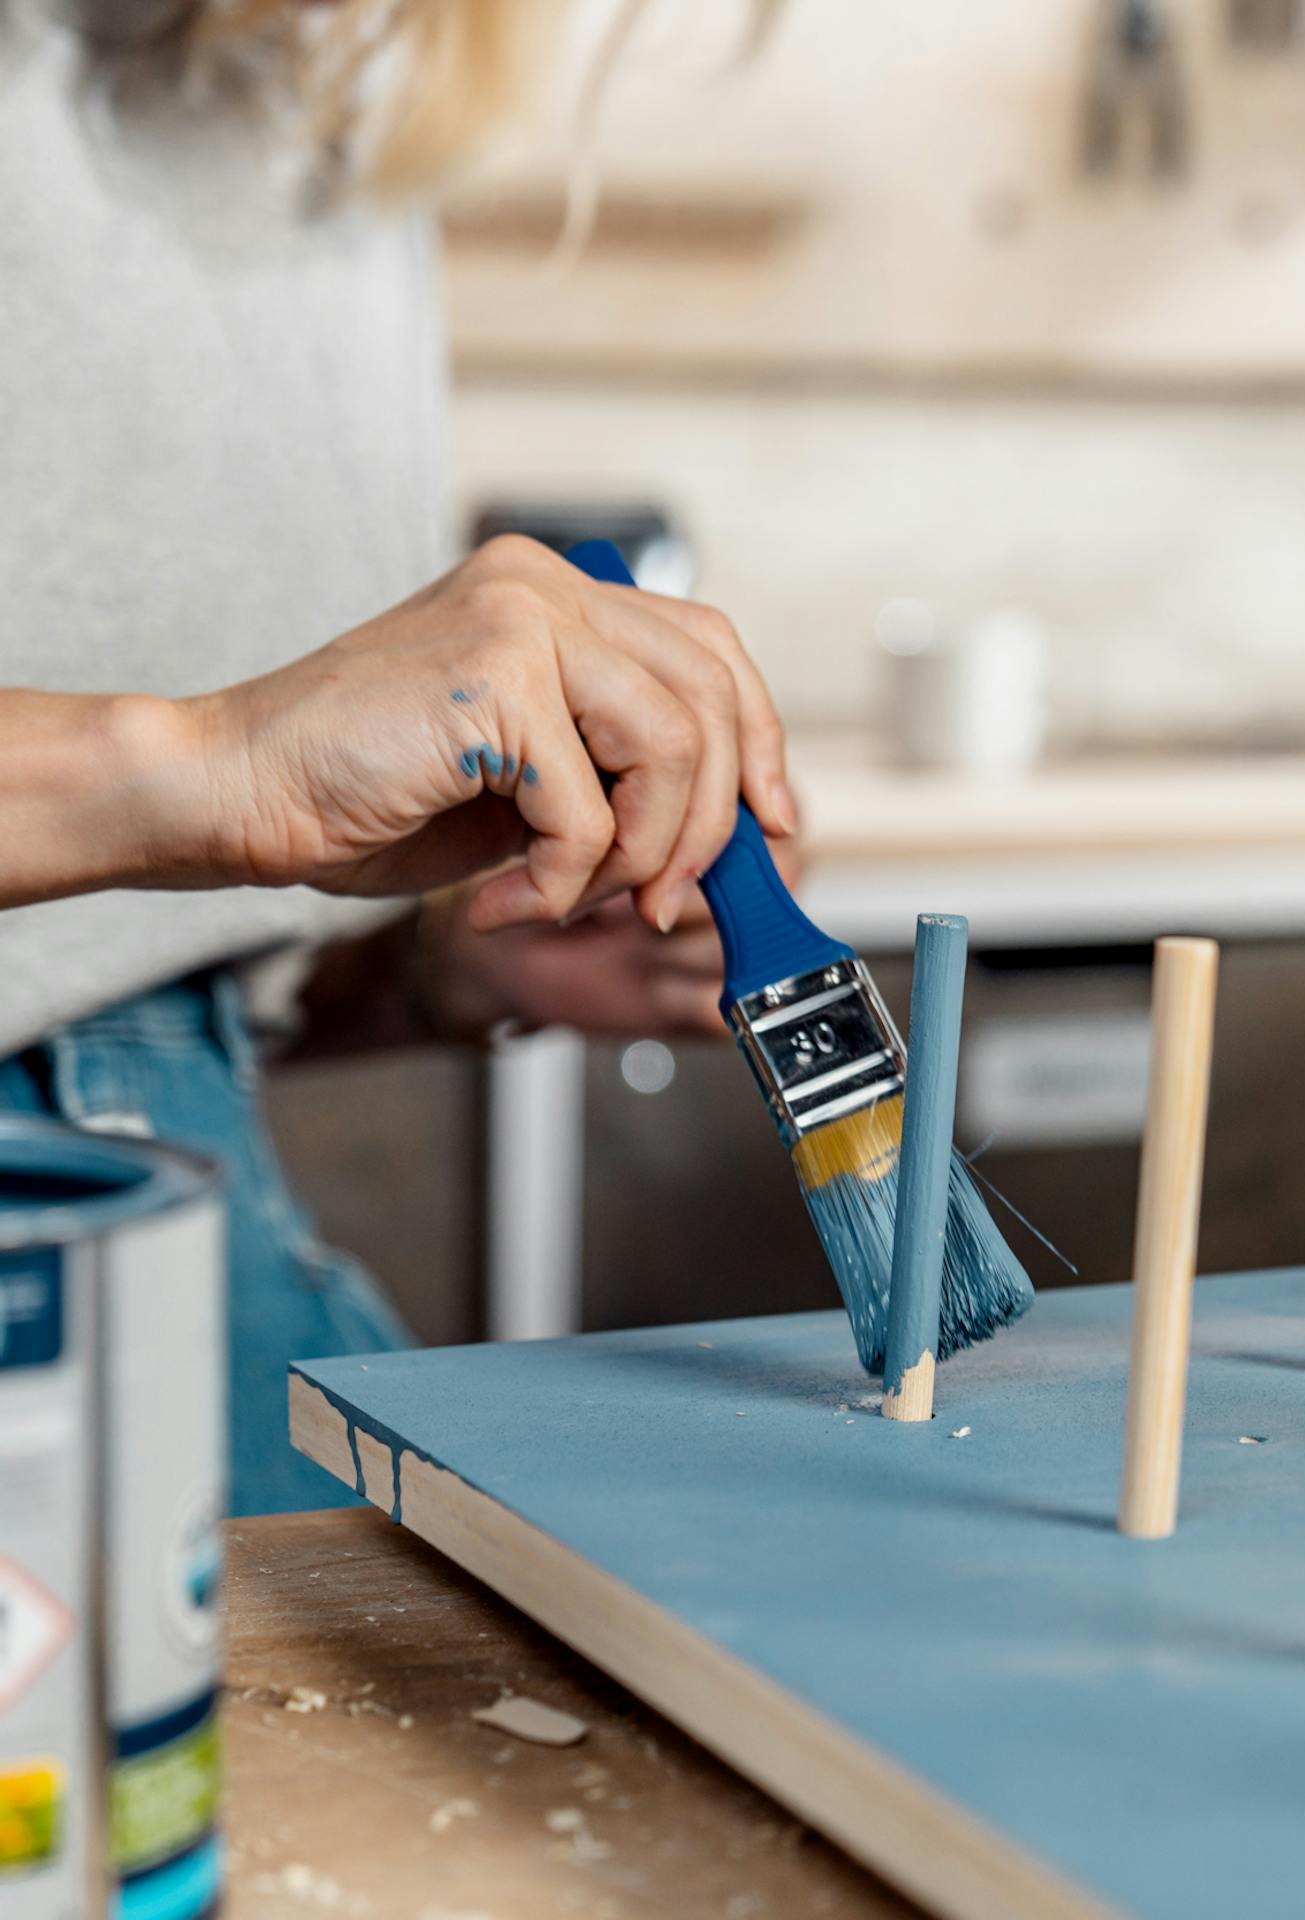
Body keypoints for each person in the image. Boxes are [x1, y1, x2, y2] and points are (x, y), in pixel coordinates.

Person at [0, 2, 795, 1513]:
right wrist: (212, 758)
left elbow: (97, 957)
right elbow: (193, 794)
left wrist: (430, 971)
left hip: (179, 1208)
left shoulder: (348, 97)